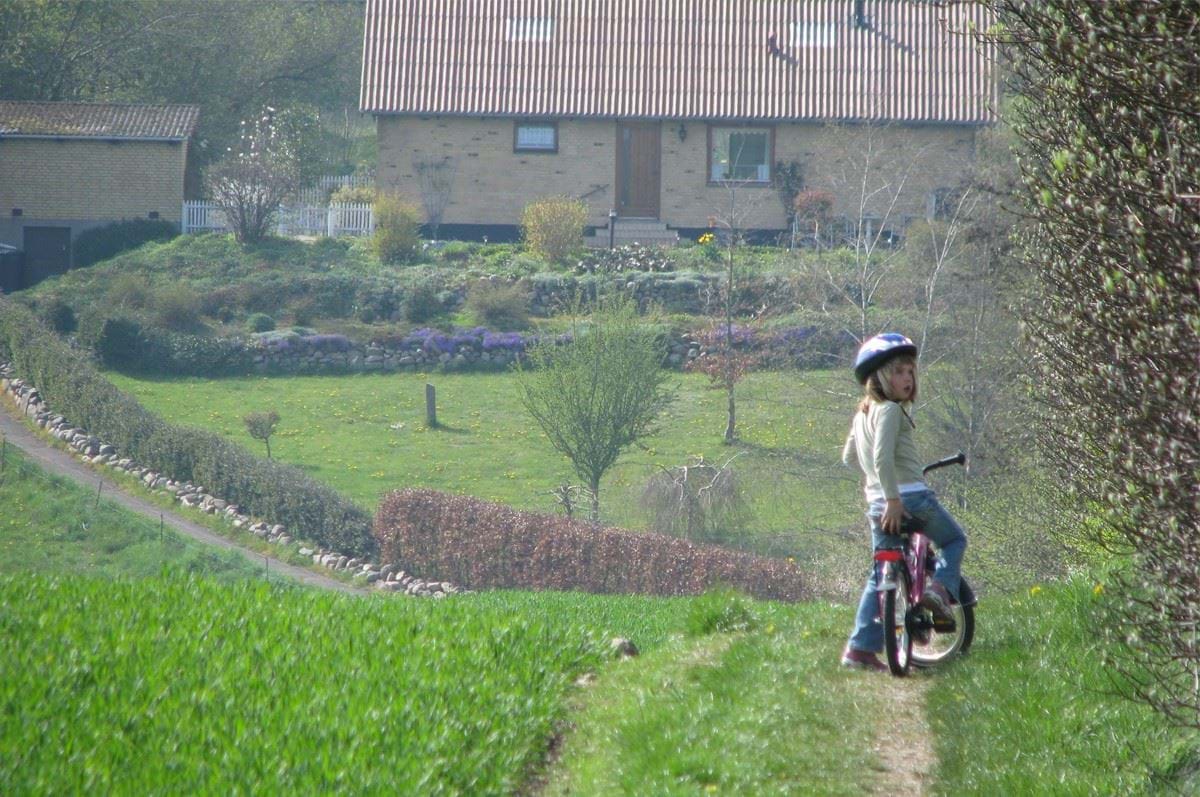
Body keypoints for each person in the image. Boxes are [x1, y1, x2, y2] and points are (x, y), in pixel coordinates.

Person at [839, 333, 967, 672]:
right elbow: (881, 458)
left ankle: (860, 650)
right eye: (898, 372)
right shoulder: (891, 410)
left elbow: (851, 458)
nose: (907, 379)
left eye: (910, 372)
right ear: (879, 377)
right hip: (909, 498)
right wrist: (894, 497)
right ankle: (938, 592)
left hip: (876, 504)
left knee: (879, 573)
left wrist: (879, 492)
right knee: (955, 540)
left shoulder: (861, 415)